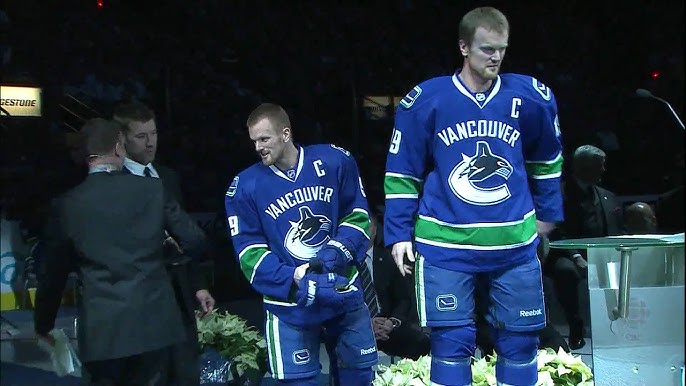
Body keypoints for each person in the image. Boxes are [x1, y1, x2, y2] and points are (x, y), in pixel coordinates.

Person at [383, 7, 564, 386]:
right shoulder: (426, 99)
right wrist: (398, 233)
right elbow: (403, 171)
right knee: (451, 342)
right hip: (446, 243)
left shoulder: (530, 96)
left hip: (512, 242)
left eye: (501, 49)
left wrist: (548, 212)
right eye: (486, 49)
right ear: (464, 47)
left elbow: (547, 158)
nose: (496, 57)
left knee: (520, 341)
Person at [34, 118, 207, 385]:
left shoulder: (67, 205)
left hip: (104, 333)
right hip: (155, 327)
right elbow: (195, 241)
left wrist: (43, 324)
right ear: (118, 148)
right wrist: (168, 254)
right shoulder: (152, 188)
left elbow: (52, 275)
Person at [224, 103, 377, 386]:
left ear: (285, 133)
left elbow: (357, 216)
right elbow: (249, 251)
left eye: (264, 139)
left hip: (341, 287)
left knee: (358, 377)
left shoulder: (335, 161)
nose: (258, 147)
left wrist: (333, 256)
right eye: (254, 141)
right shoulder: (244, 187)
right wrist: (292, 276)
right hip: (289, 301)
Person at [113, 101, 215, 386]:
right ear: (122, 139)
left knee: (184, 374)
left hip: (178, 296)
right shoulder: (113, 183)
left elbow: (188, 238)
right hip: (140, 302)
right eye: (141, 136)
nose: (150, 143)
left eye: (154, 134)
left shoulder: (168, 177)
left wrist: (198, 285)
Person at [546, 144, 622, 350]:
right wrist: (576, 256)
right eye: (599, 166)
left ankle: (620, 325)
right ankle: (575, 322)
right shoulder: (559, 194)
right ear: (583, 167)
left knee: (623, 267)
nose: (603, 170)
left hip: (603, 253)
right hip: (565, 252)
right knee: (565, 271)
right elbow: (556, 230)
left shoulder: (607, 196)